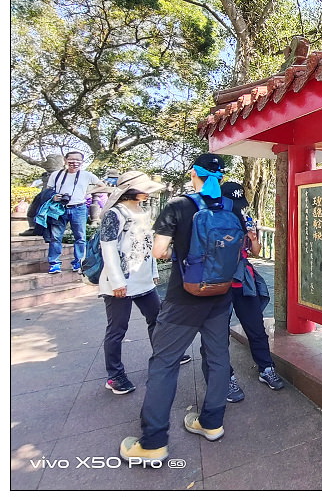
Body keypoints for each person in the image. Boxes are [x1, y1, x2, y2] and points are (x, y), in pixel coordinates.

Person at [119, 154, 245, 464]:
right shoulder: (232, 207)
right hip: (220, 295)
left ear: (194, 174)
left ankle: (153, 442)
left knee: (164, 363)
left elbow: (160, 252)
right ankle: (211, 422)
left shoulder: (178, 205)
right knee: (217, 358)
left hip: (183, 299)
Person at [98, 171, 165, 395]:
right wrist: (117, 281)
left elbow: (148, 245)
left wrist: (153, 270)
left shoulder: (143, 212)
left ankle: (162, 357)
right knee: (117, 329)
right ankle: (114, 375)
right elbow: (108, 248)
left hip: (143, 279)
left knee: (157, 318)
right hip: (121, 283)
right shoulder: (115, 214)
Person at [219, 181, 285, 403]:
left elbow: (254, 252)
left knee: (256, 327)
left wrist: (254, 239)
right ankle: (224, 377)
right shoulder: (212, 219)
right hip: (220, 284)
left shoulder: (246, 220)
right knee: (218, 334)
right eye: (233, 202)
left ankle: (266, 368)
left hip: (244, 282)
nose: (237, 207)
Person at [44, 151, 102, 273]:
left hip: (79, 208)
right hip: (59, 208)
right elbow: (48, 190)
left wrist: (88, 193)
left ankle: (78, 262)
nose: (74, 163)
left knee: (80, 237)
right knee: (55, 237)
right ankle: (54, 263)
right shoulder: (56, 174)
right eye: (71, 160)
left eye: (78, 161)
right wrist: (53, 197)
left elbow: (102, 185)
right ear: (65, 160)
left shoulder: (87, 175)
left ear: (82, 162)